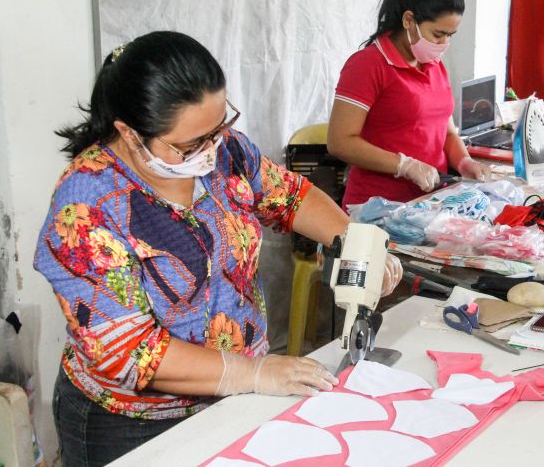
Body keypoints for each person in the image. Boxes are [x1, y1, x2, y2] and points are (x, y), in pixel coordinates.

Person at [33, 31, 402, 466]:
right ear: (129, 134)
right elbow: (132, 351)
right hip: (131, 422)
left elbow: (291, 196)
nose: (211, 150)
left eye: (219, 129)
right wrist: (254, 373)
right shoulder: (86, 207)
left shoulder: (226, 153)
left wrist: (357, 244)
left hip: (232, 397)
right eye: (191, 144)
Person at [327, 0, 492, 209]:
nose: (444, 43)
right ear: (408, 20)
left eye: (450, 35)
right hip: (376, 208)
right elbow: (340, 141)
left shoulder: (434, 64)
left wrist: (464, 162)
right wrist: (404, 165)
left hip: (429, 204)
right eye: (438, 34)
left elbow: (445, 133)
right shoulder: (368, 65)